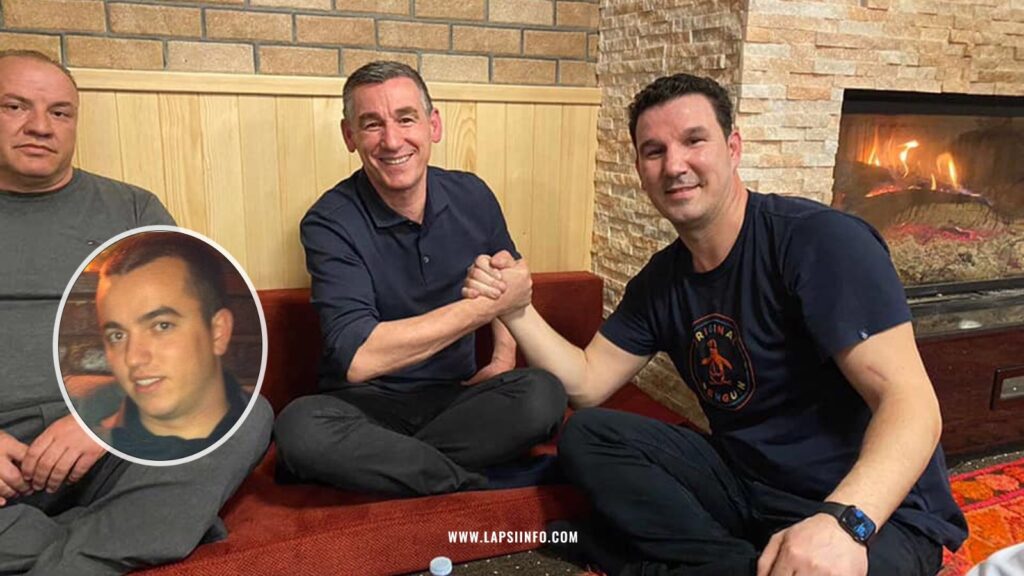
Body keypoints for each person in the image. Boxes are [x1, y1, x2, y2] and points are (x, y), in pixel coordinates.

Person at [463, 73, 967, 575]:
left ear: (733, 148)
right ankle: (733, 564)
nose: (674, 165)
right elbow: (589, 383)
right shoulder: (661, 281)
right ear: (640, 169)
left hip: (874, 512)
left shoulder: (820, 241)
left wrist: (843, 522)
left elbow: (912, 404)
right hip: (748, 487)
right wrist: (517, 309)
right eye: (654, 151)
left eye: (694, 140)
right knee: (590, 435)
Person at [0, 50, 272, 575]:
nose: (40, 126)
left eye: (60, 112)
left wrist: (103, 420)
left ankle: (69, 554)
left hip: (114, 442)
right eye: (15, 107)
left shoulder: (130, 210)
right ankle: (125, 536)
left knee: (242, 414)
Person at [273, 61, 566, 497]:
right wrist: (483, 308)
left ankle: (396, 469)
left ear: (434, 125)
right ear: (349, 136)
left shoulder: (473, 195)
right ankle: (477, 481)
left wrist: (503, 360)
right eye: (372, 124)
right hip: (364, 406)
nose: (392, 141)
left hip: (456, 397)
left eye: (406, 119)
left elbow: (508, 277)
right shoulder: (328, 222)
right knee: (300, 429)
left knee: (544, 394)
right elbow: (359, 359)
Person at [92, 232, 253, 462]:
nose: (133, 358)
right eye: (117, 336)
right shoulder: (87, 444)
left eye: (162, 326)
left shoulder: (258, 426)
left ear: (218, 332)